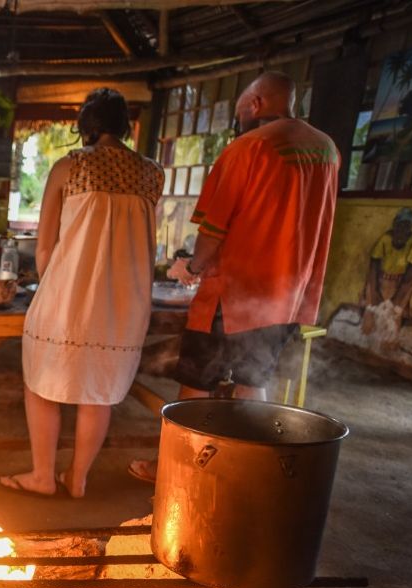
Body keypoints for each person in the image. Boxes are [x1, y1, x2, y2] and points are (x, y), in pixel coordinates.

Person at [129, 71, 339, 483]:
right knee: (252, 379)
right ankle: (253, 471)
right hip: (291, 295)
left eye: (240, 107)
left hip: (236, 296)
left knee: (196, 381)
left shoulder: (248, 147)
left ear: (257, 103)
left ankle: (173, 472)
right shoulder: (326, 149)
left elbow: (212, 234)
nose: (238, 117)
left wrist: (189, 268)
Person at [0, 88, 164, 498]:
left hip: (68, 296)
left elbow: (43, 246)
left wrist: (49, 286)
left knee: (40, 384)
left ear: (84, 127)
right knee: (99, 392)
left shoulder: (69, 167)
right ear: (125, 125)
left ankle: (42, 476)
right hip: (126, 301)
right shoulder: (151, 173)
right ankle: (77, 478)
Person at [361, 206, 412, 335]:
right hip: (380, 281)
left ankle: (389, 344)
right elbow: (374, 266)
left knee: (393, 316)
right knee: (370, 313)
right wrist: (374, 292)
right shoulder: (386, 239)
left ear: (410, 228)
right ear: (394, 225)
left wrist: (395, 302)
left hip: (401, 284)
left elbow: (411, 276)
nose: (401, 230)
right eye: (399, 225)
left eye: (406, 226)